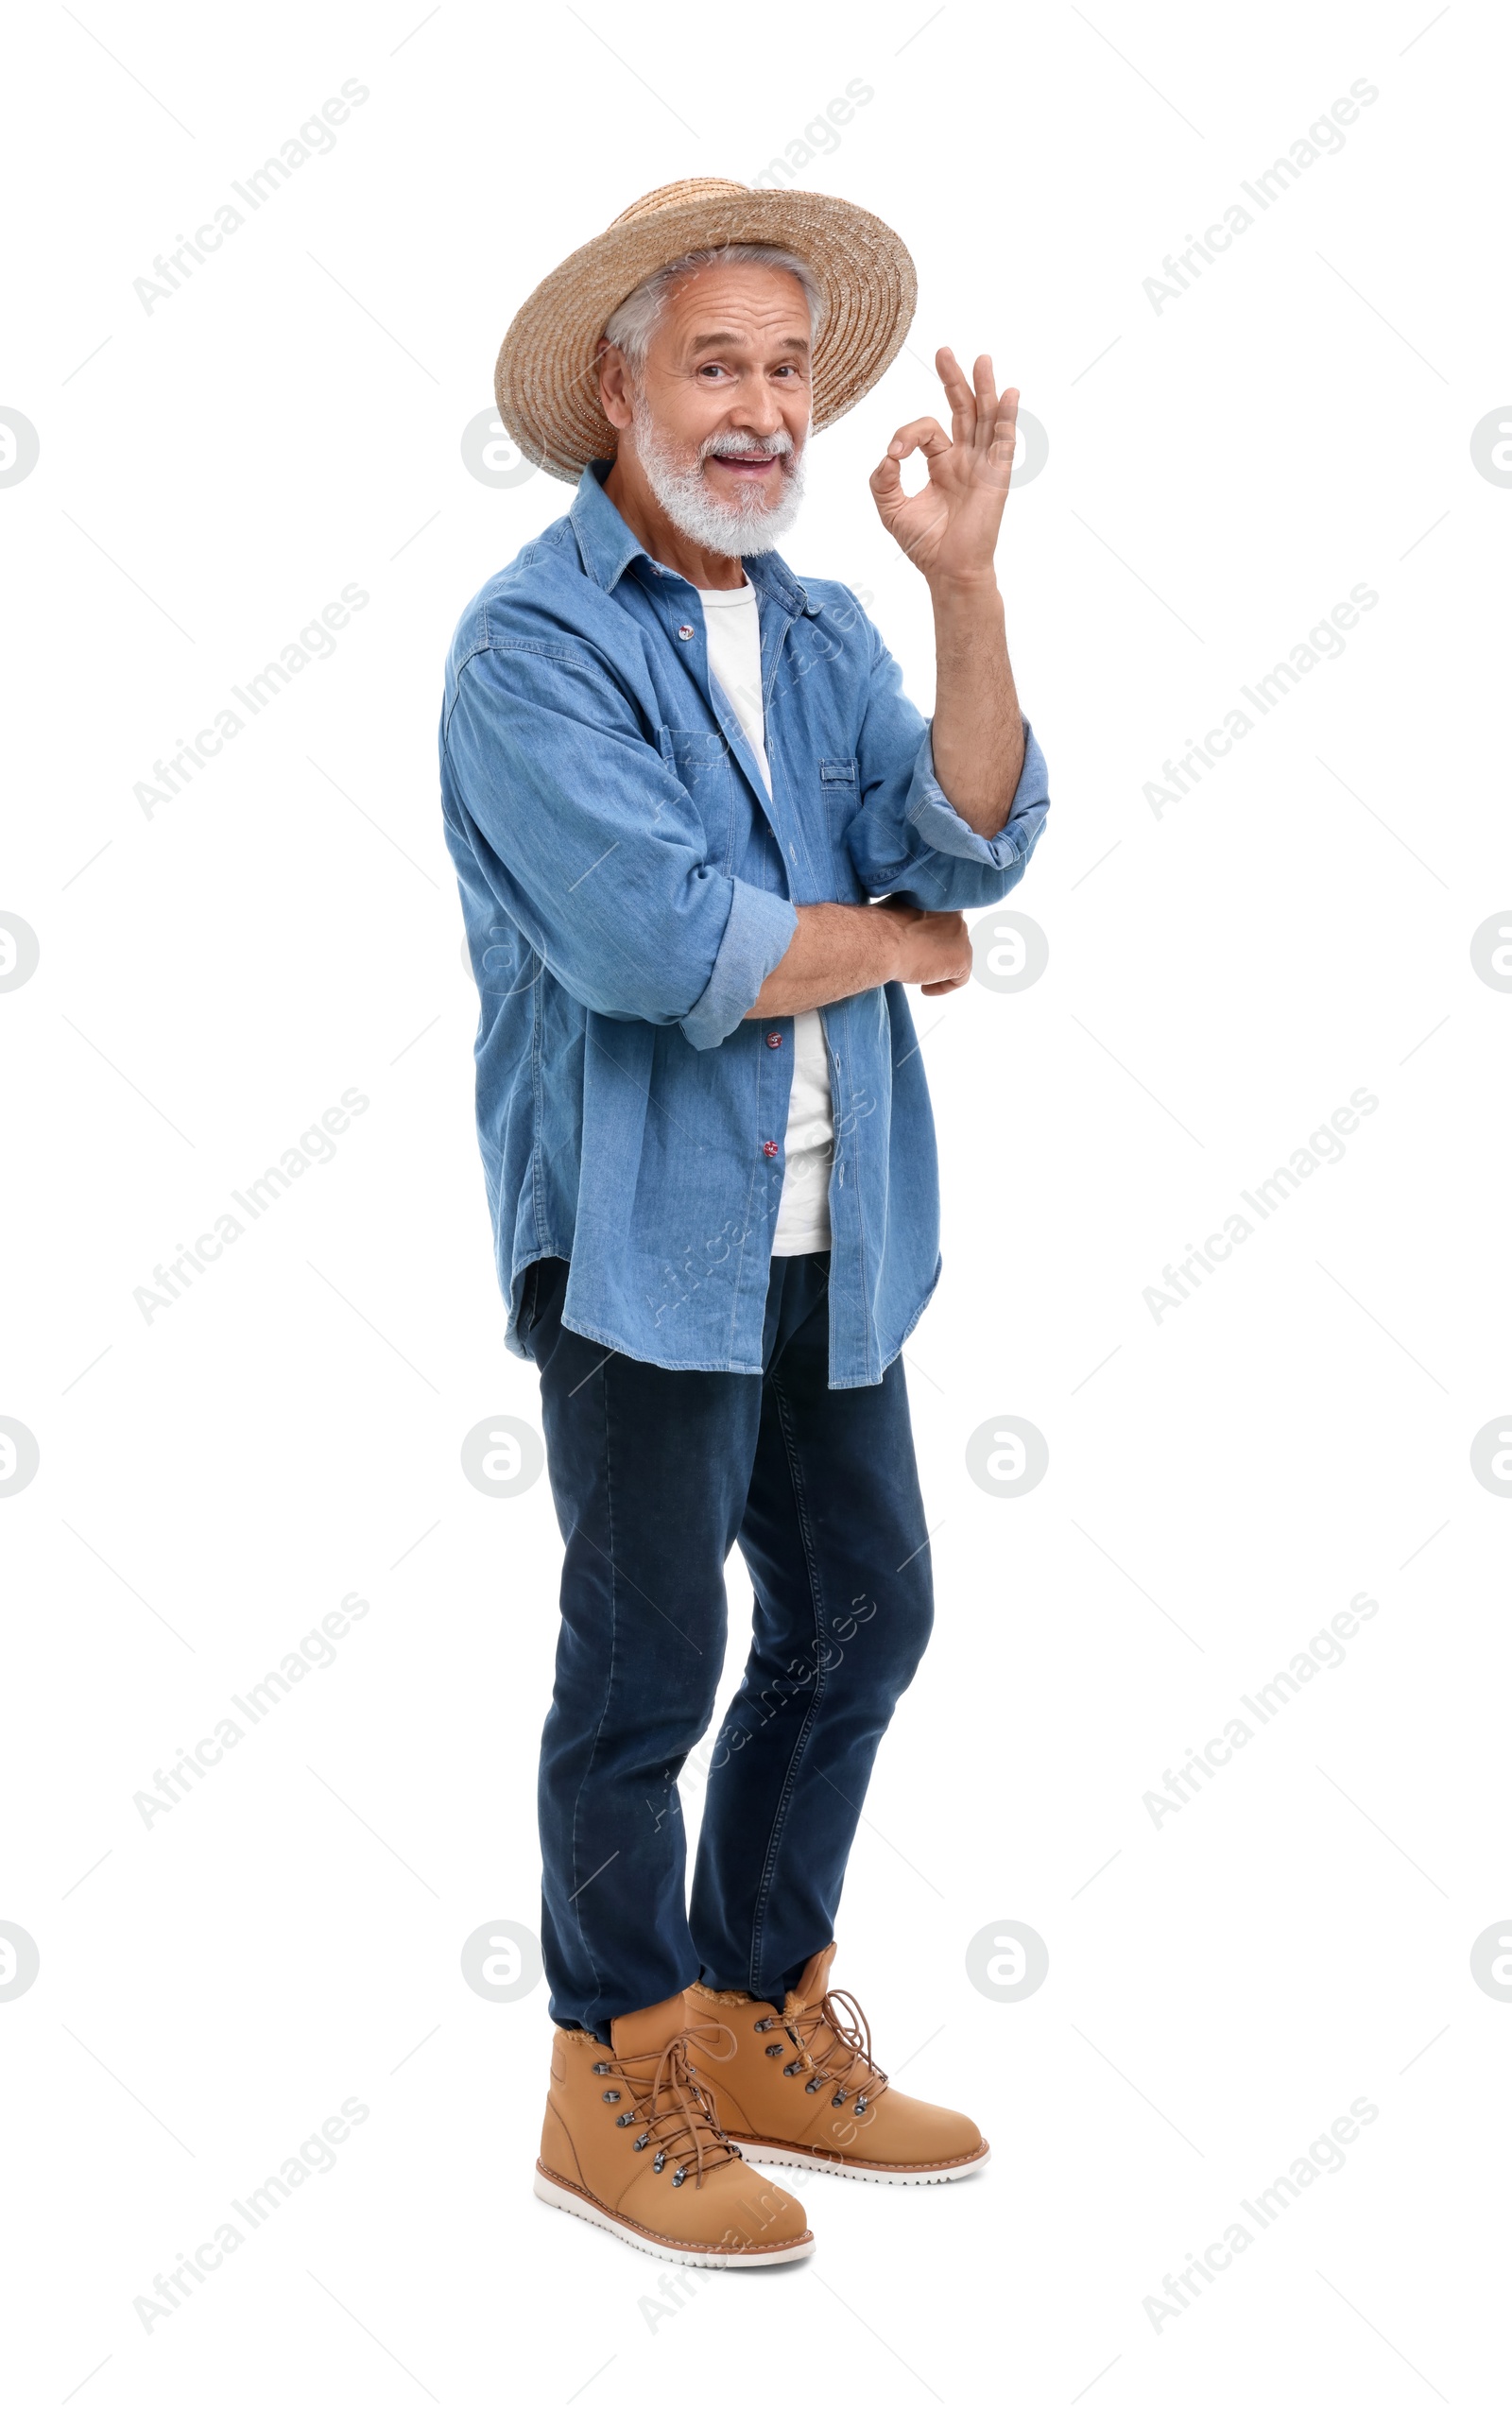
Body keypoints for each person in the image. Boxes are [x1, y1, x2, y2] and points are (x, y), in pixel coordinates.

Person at [438, 177, 1051, 2269]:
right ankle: (605, 2070)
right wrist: (900, 946)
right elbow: (653, 944)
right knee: (644, 1673)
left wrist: (961, 584)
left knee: (865, 1615)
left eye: (786, 369)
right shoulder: (529, 644)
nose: (763, 409)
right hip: (636, 1251)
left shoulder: (818, 624)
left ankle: (750, 2004)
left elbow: (967, 837)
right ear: (617, 389)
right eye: (716, 362)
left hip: (835, 1231)